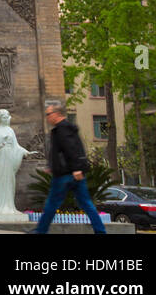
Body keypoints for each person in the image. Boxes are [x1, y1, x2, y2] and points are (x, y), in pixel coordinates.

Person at [33, 99, 106, 234]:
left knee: (52, 204)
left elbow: (71, 149)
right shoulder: (62, 129)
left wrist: (76, 168)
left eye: (49, 114)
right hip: (72, 173)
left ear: (57, 114)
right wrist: (52, 165)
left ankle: (40, 231)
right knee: (86, 204)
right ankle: (100, 231)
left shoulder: (62, 129)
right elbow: (61, 151)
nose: (47, 117)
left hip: (65, 175)